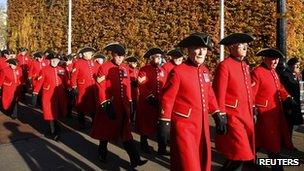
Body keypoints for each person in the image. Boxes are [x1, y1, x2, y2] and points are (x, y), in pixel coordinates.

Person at [159, 32, 222, 170]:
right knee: (189, 165)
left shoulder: (205, 71)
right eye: (197, 48)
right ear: (188, 50)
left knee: (202, 163)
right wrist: (164, 122)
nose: (201, 52)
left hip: (202, 127)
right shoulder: (178, 71)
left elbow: (209, 94)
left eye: (204, 49)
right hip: (184, 127)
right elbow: (167, 98)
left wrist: (217, 113)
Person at [91, 43, 147, 168]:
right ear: (112, 55)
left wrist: (131, 102)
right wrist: (104, 102)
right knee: (106, 131)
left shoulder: (125, 68)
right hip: (110, 105)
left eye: (122, 56)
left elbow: (126, 85)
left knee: (126, 132)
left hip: (123, 106)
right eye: (118, 56)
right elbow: (100, 86)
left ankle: (135, 158)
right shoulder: (104, 67)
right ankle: (102, 152)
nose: (120, 59)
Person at [213, 33, 255, 170]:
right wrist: (220, 115)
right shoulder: (225, 65)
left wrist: (253, 107)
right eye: (241, 45)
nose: (245, 47)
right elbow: (219, 92)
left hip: (246, 114)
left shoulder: (245, 65)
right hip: (233, 115)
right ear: (231, 47)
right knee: (241, 153)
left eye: (246, 45)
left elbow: (248, 90)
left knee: (237, 155)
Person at [252, 48, 297, 171]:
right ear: (265, 58)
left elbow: (279, 88)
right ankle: (277, 168)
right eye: (272, 58)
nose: (275, 61)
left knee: (259, 141)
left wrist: (287, 98)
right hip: (264, 115)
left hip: (275, 113)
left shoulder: (273, 72)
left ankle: (249, 160)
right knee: (272, 143)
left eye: (277, 59)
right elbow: (251, 93)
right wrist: (254, 109)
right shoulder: (257, 72)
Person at [136, 47, 168, 154]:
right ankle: (143, 144)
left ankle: (161, 148)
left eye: (160, 57)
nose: (159, 59)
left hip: (160, 102)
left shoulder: (163, 70)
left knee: (160, 125)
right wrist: (149, 96)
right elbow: (141, 84)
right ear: (151, 58)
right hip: (147, 102)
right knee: (145, 125)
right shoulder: (144, 70)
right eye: (156, 57)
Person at [32, 53, 69, 141]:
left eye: (56, 60)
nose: (54, 62)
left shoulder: (62, 70)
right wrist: (35, 93)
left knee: (58, 112)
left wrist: (70, 89)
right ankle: (54, 132)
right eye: (52, 60)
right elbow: (39, 82)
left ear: (59, 61)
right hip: (48, 95)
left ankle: (54, 127)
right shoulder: (44, 70)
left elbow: (66, 81)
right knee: (50, 113)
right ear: (49, 60)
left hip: (60, 95)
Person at [70, 47, 99, 129]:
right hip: (82, 87)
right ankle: (81, 123)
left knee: (93, 105)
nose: (91, 54)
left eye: (91, 53)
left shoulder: (93, 63)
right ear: (84, 54)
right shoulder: (78, 63)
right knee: (81, 105)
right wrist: (74, 86)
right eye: (89, 53)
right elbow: (73, 76)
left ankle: (94, 122)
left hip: (92, 87)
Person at [279, 57, 303, 137]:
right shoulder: (285, 75)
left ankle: (289, 142)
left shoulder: (293, 75)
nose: (298, 67)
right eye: (296, 65)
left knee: (291, 124)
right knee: (288, 124)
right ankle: (287, 143)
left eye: (299, 66)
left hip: (294, 103)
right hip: (289, 104)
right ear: (291, 65)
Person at [125, 56, 139, 123]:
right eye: (133, 62)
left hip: (135, 91)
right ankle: (128, 118)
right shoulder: (127, 69)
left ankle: (132, 118)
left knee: (135, 106)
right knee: (130, 106)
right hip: (129, 90)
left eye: (136, 63)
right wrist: (131, 82)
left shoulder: (137, 70)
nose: (135, 64)